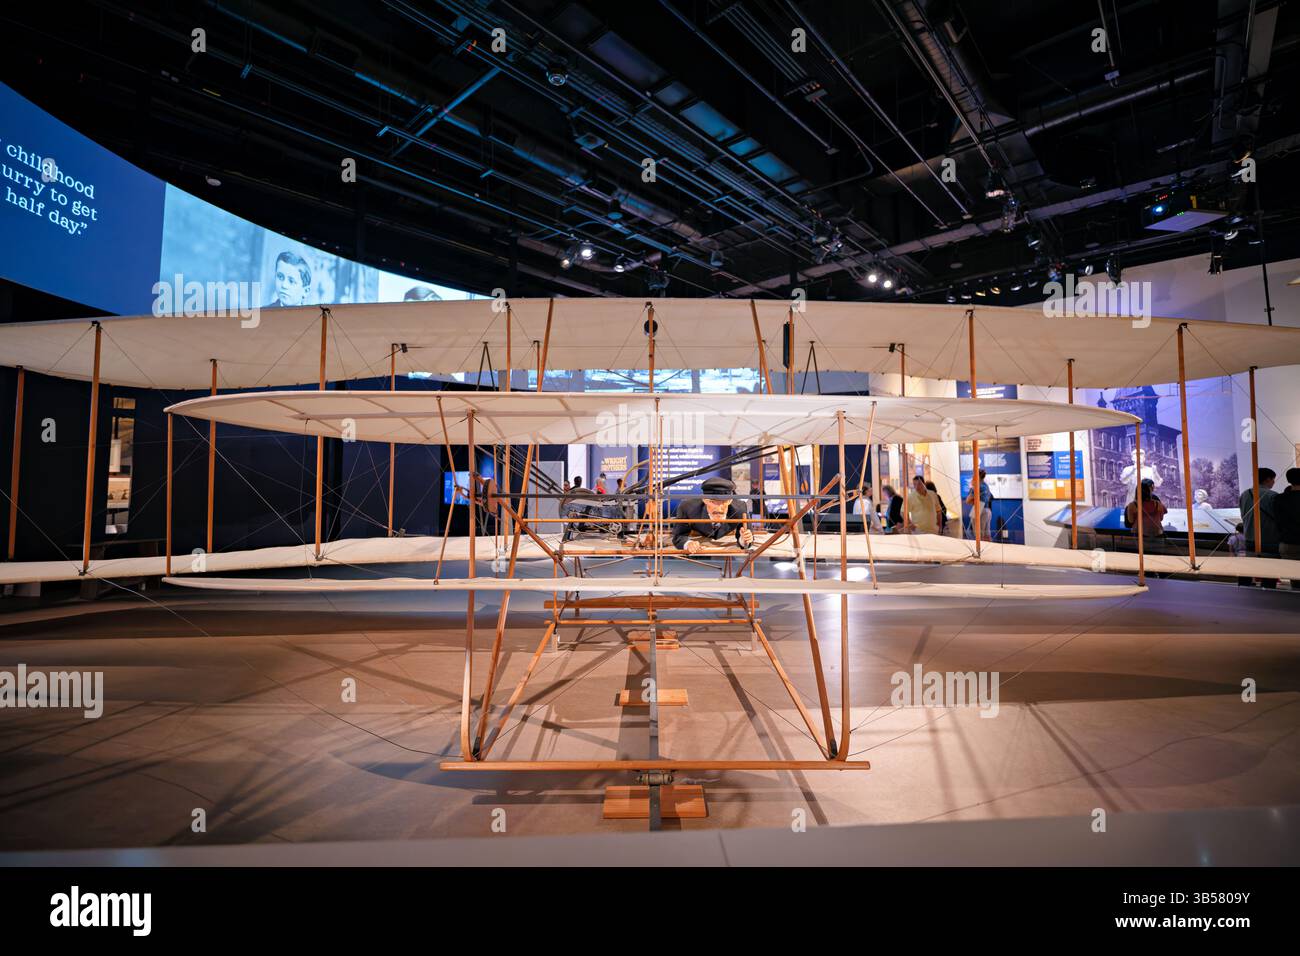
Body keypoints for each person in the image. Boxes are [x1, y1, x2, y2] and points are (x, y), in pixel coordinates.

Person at [671, 477, 753, 552]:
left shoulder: (740, 508)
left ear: (730, 501)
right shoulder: (687, 507)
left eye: (724, 502)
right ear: (704, 500)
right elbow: (678, 536)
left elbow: (746, 537)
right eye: (713, 502)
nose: (718, 508)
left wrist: (743, 540)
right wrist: (688, 544)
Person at [1124, 478, 1167, 543]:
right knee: (1158, 552)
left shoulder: (1132, 505)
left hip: (1140, 534)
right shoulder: (1157, 503)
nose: (1153, 488)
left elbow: (1131, 520)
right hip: (1157, 533)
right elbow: (1161, 518)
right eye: (1152, 486)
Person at [1273, 467, 1300, 560]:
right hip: (1290, 541)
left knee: (1289, 573)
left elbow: (1277, 521)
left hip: (1288, 543)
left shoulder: (1279, 498)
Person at [963, 468, 993, 540]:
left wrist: (972, 486)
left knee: (978, 534)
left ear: (977, 476)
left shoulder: (977, 486)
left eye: (973, 476)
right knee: (986, 533)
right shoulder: (986, 486)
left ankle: (979, 550)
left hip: (979, 508)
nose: (972, 477)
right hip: (987, 509)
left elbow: (967, 500)